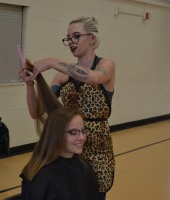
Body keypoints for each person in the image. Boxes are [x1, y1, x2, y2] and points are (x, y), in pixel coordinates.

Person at [19, 16, 115, 200]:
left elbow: (93, 78)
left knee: (95, 193)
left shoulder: (106, 66)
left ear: (92, 39)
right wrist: (30, 85)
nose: (71, 42)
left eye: (76, 36)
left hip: (98, 149)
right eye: (68, 38)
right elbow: (36, 112)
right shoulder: (61, 77)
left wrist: (52, 61)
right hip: (67, 149)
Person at [20, 107, 99, 200]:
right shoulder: (42, 177)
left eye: (83, 131)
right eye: (73, 132)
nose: (82, 137)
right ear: (56, 135)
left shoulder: (84, 166)